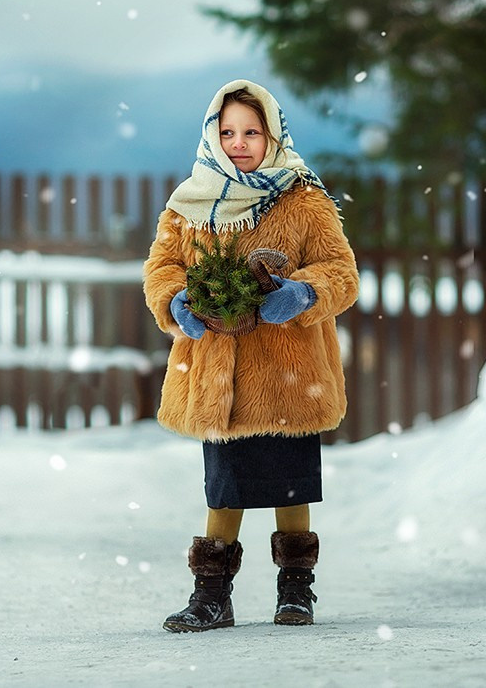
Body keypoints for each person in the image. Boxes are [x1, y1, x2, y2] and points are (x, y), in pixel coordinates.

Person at [142, 79, 359, 632]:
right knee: (226, 489)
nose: (239, 142)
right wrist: (176, 301)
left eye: (252, 132)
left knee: (292, 484)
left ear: (273, 135)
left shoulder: (305, 199)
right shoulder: (189, 204)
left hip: (292, 373)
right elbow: (161, 269)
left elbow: (341, 271)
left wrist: (304, 292)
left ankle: (296, 592)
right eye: (229, 131)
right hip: (220, 375)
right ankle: (211, 596)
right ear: (213, 135)